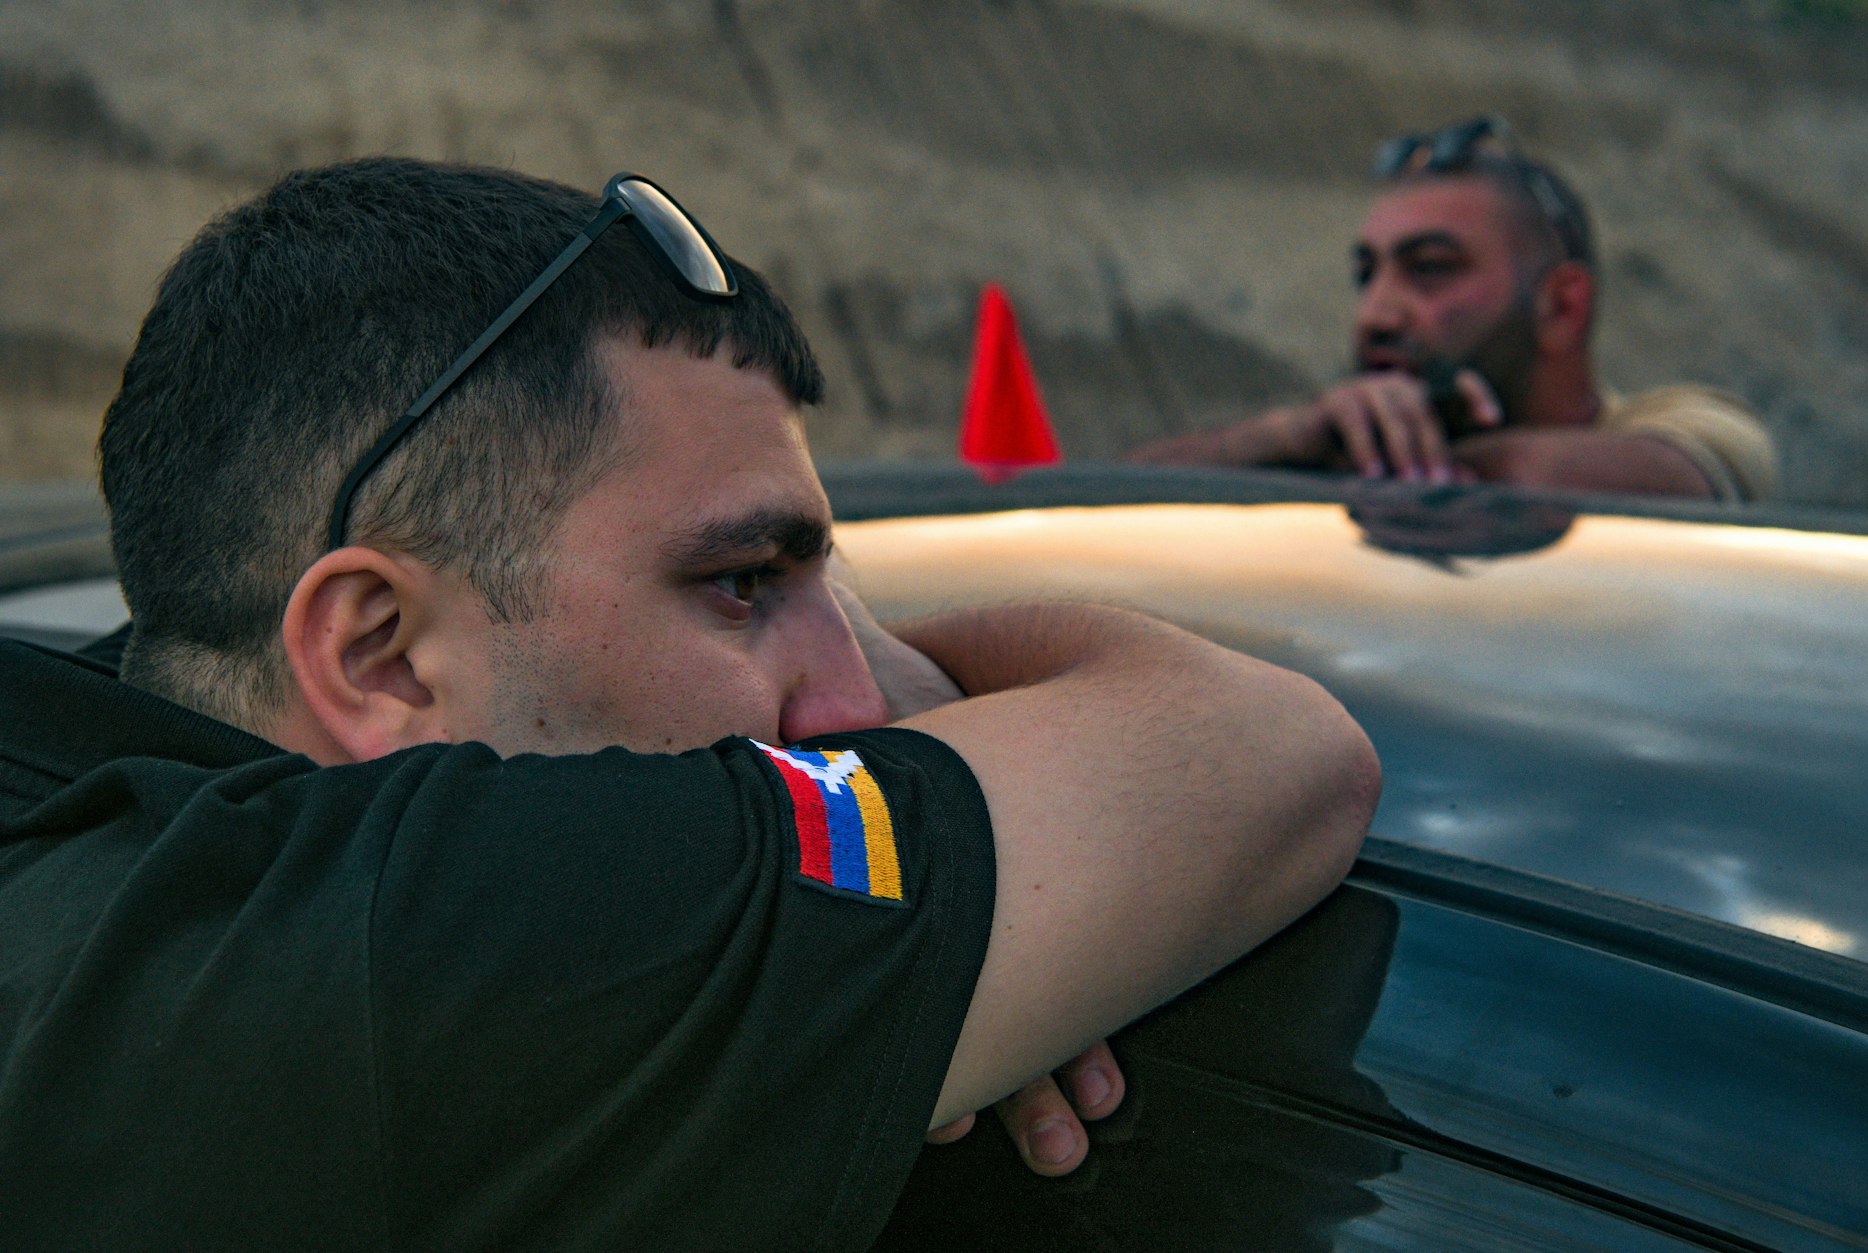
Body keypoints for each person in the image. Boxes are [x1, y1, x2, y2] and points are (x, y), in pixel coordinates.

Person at [0, 158, 1380, 1251]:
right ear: (378, 658)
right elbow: (1272, 751)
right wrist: (964, 910)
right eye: (739, 582)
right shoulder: (401, 955)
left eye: (820, 584)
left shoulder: (93, 810)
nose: (851, 700)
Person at [1130, 116, 1777, 503]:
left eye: (1430, 268)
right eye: (1366, 274)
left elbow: (1561, 482)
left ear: (1561, 306)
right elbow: (1108, 503)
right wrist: (1285, 437)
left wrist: (1364, 457)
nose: (1376, 315)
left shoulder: (1697, 427)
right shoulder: (1336, 440)